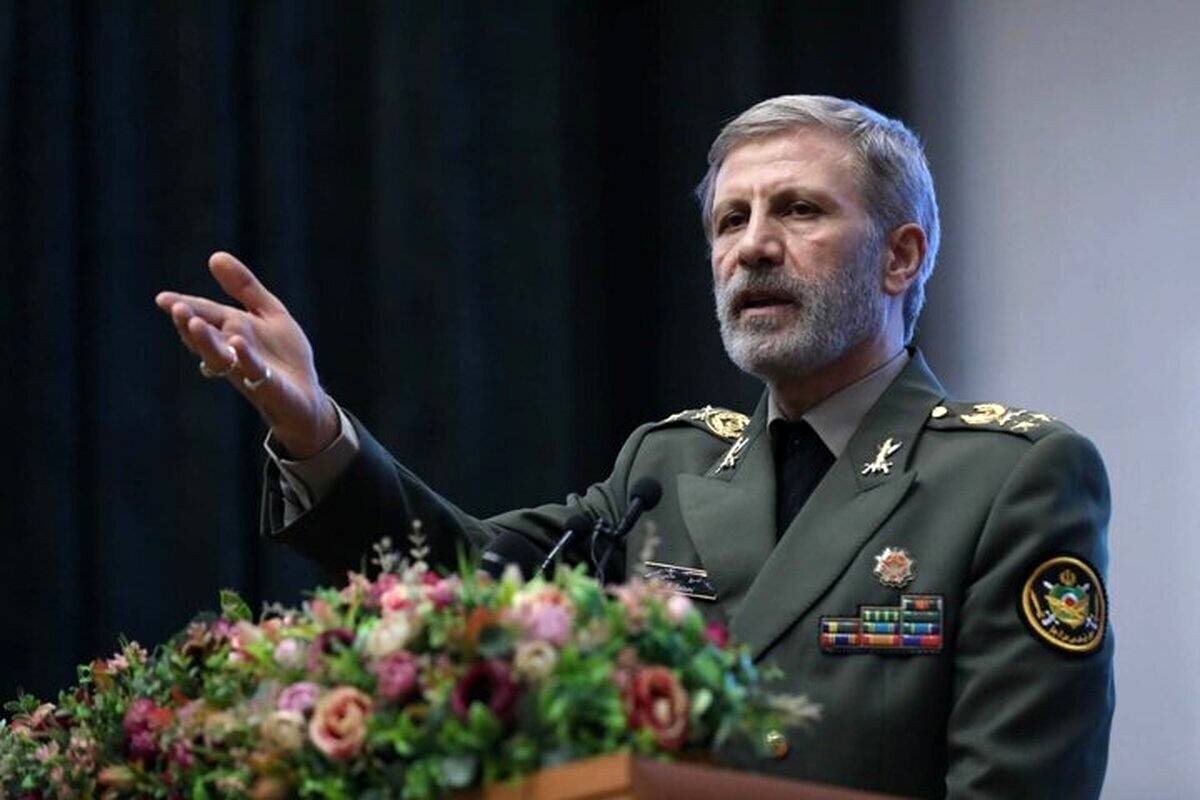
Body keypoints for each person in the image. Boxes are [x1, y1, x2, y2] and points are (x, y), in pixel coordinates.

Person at [155, 95, 1114, 798]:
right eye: (730, 220)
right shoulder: (670, 467)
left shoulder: (1009, 479)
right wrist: (313, 426)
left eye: (799, 210)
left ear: (901, 256)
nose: (753, 246)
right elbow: (458, 585)